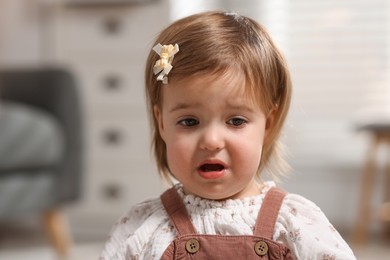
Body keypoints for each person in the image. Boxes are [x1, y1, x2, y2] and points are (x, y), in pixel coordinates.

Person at [100, 11, 356, 259]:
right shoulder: (142, 228)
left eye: (236, 121)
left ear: (268, 124)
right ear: (162, 124)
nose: (211, 141)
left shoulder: (295, 223)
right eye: (189, 121)